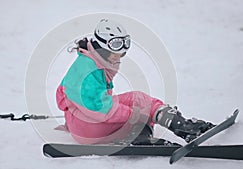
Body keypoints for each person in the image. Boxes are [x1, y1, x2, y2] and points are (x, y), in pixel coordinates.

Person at [56, 19, 214, 145]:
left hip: (82, 126)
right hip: (89, 129)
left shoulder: (89, 61)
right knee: (141, 110)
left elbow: (68, 98)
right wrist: (134, 115)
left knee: (139, 99)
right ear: (102, 47)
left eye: (123, 49)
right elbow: (100, 109)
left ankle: (178, 126)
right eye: (115, 48)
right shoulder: (88, 72)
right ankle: (149, 133)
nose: (120, 55)